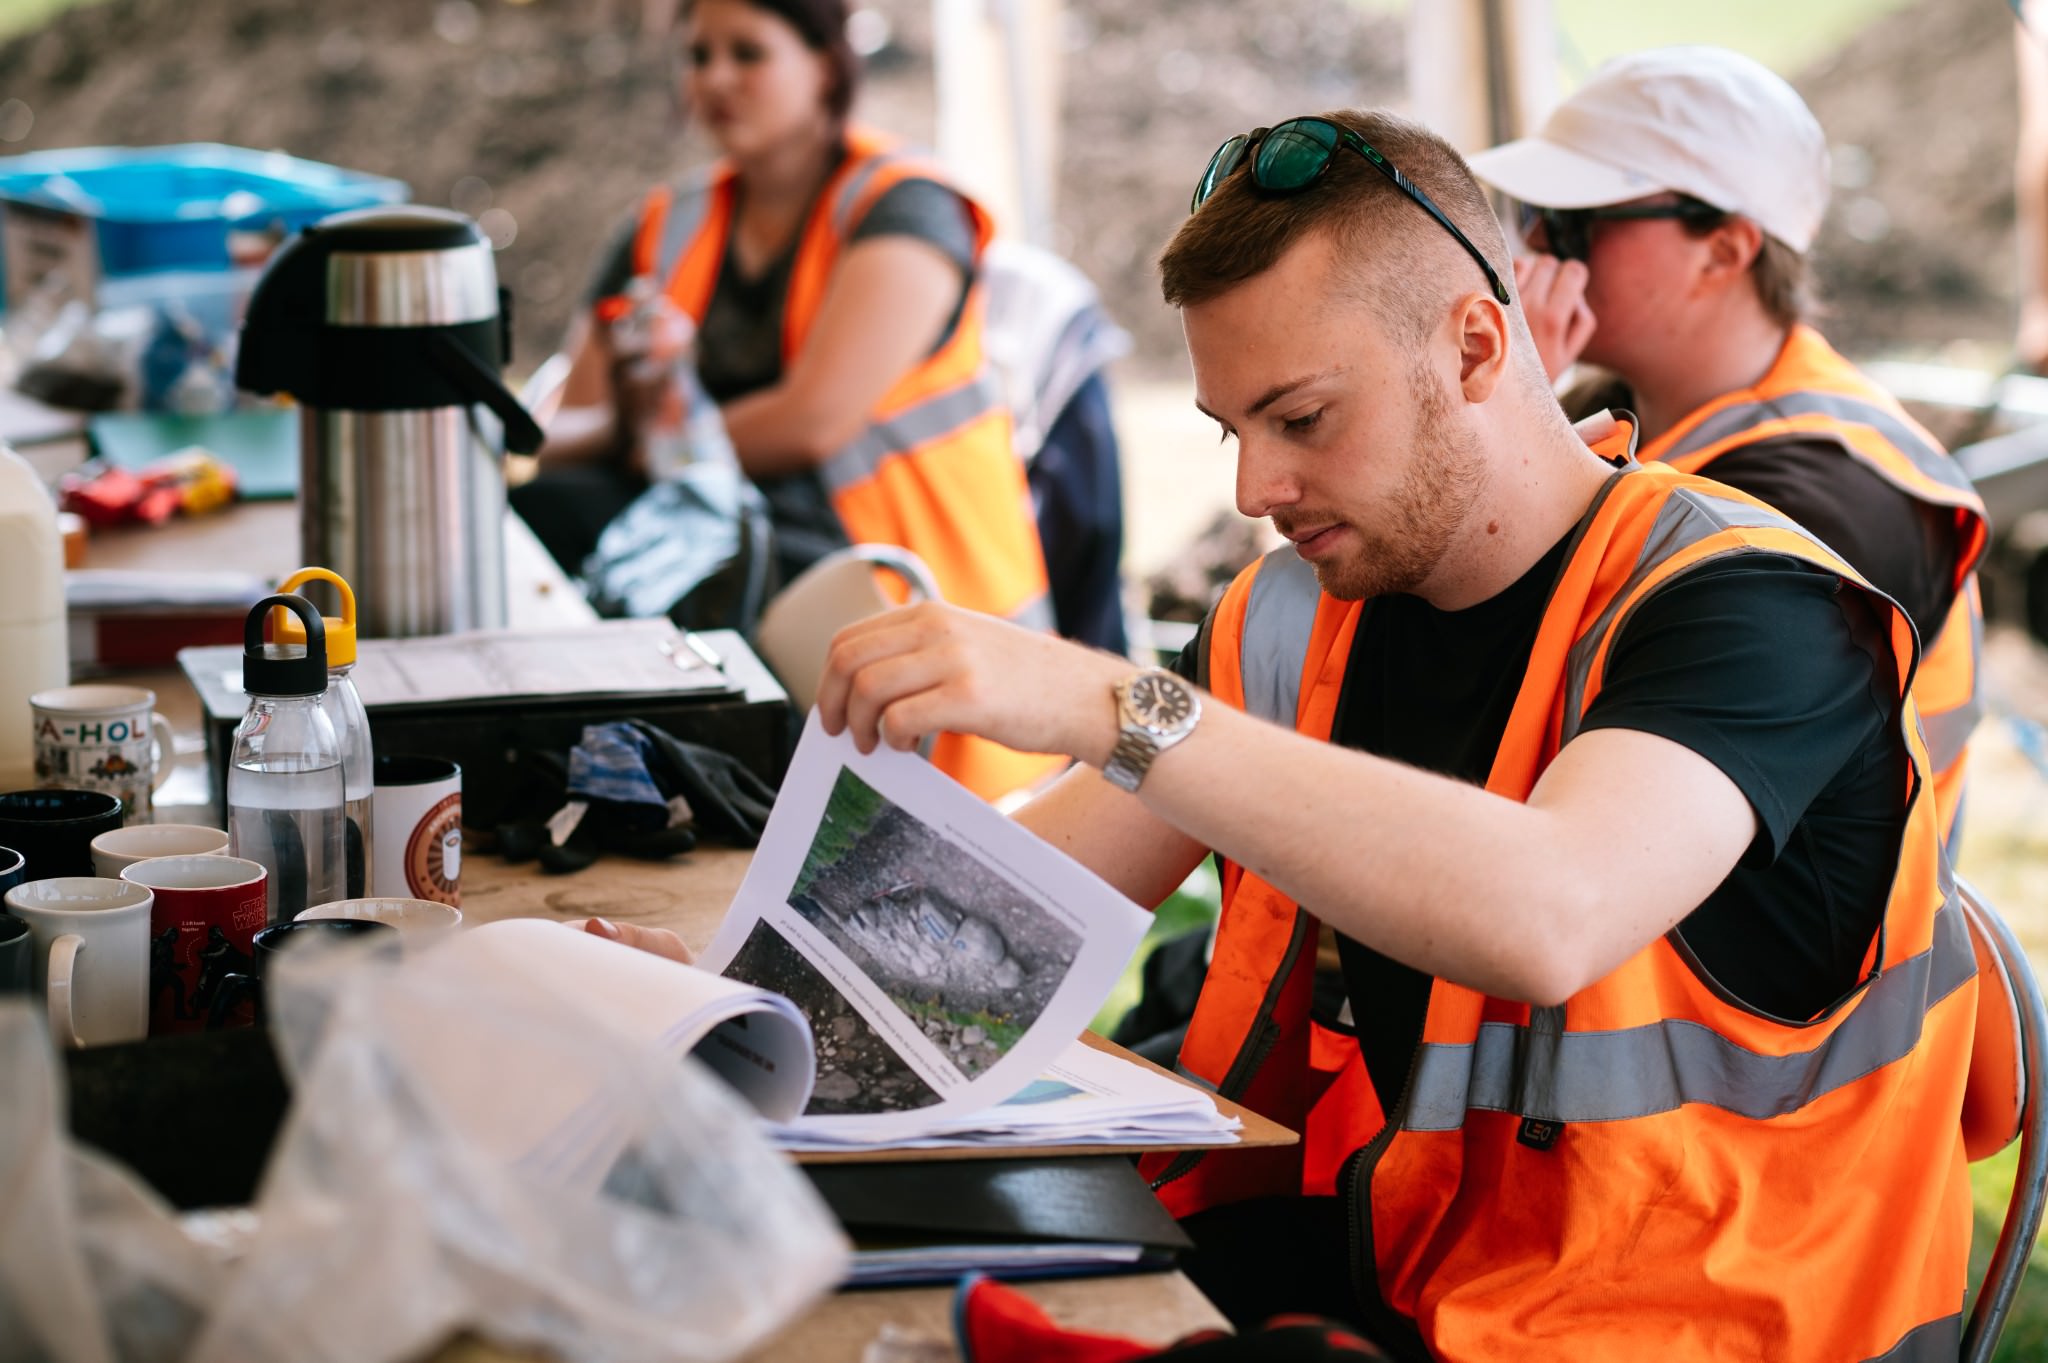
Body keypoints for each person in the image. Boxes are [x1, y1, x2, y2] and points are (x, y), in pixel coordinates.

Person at [596, 108, 1977, 1358]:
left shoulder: (1754, 606)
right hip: (1424, 1283)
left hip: (1713, 1331)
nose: (1259, 485)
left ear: (1477, 347)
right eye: (1230, 428)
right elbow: (1007, 906)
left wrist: (1108, 703)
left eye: (1303, 417)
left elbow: (1547, 907)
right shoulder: (1294, 613)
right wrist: (734, 989)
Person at [518, 0, 1057, 801]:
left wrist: (652, 439)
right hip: (734, 558)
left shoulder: (905, 207)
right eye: (698, 56)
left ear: (825, 64)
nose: (716, 79)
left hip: (892, 582)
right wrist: (500, 435)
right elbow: (574, 418)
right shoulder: (664, 225)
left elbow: (810, 422)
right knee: (545, 517)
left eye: (748, 53)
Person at [1467, 46, 1988, 842]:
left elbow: (1501, 671)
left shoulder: (1835, 491)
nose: (1533, 246)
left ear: (1725, 248)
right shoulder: (1612, 401)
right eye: (1529, 212)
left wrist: (1497, 404)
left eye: (1573, 222)